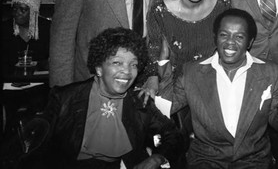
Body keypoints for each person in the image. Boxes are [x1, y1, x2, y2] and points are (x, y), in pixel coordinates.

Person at [159, 9, 278, 168]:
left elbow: (277, 120)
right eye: (224, 35)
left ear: (250, 42)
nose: (230, 42)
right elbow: (164, 110)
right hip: (206, 160)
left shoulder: (272, 72)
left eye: (239, 36)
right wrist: (163, 66)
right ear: (215, 37)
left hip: (253, 160)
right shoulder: (192, 73)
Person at [40, 27, 183, 168]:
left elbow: (173, 135)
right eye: (117, 62)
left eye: (133, 64)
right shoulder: (65, 98)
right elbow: (36, 149)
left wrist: (158, 158)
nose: (127, 71)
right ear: (98, 68)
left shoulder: (140, 102)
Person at [140, 0, 230, 95]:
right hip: (175, 92)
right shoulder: (160, 13)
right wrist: (152, 78)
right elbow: (153, 52)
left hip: (214, 90)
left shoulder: (223, 5)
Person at [1, 0, 50, 74]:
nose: (17, 13)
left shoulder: (47, 28)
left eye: (23, 9)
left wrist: (41, 64)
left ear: (34, 11)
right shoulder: (5, 28)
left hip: (40, 81)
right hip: (9, 81)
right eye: (15, 8)